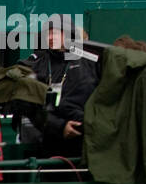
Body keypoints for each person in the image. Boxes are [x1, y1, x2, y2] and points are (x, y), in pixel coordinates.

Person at [20, 16, 100, 161]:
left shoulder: (91, 61)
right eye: (48, 33)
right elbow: (30, 107)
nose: (51, 37)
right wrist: (59, 127)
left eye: (56, 33)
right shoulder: (38, 65)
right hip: (50, 146)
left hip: (88, 144)